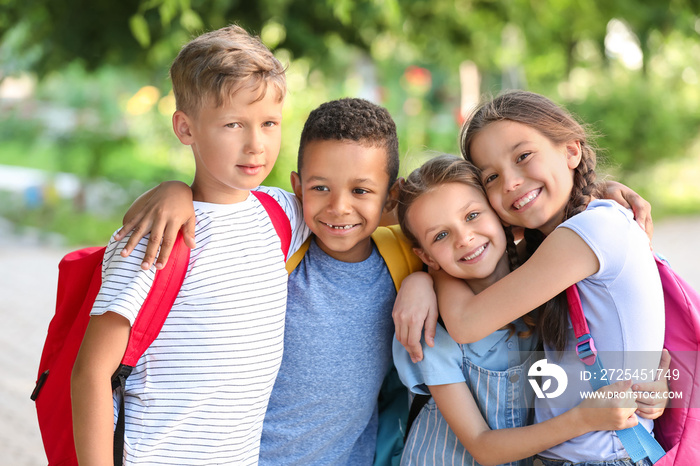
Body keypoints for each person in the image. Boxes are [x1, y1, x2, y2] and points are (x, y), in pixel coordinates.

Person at [114, 97, 425, 465]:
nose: (339, 207)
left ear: (391, 195)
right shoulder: (273, 242)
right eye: (320, 188)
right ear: (298, 186)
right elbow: (207, 203)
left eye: (360, 191)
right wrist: (174, 189)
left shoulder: (405, 257)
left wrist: (419, 284)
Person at [70, 25, 310, 465]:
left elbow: (365, 211)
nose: (256, 144)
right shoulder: (154, 236)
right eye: (233, 124)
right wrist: (172, 190)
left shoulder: (284, 215)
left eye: (269, 123)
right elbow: (90, 374)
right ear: (185, 128)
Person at [394, 91, 666, 466]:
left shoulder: (592, 230)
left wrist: (428, 276)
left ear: (572, 151)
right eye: (492, 176)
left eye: (523, 156)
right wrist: (422, 275)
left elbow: (466, 321)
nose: (510, 182)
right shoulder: (548, 252)